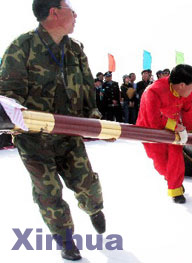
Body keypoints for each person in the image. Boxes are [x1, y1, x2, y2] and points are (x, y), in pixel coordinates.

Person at [0, 0, 105, 260]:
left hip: (69, 134)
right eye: (70, 8)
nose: (76, 14)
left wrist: (93, 117)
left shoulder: (75, 50)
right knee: (48, 192)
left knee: (85, 183)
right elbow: (7, 94)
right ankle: (65, 239)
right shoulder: (21, 47)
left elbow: (87, 88)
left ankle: (94, 208)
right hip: (34, 139)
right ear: (54, 12)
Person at [136, 64, 192, 204]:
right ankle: (171, 178)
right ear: (182, 85)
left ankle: (176, 189)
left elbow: (187, 110)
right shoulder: (153, 91)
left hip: (175, 129)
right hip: (150, 130)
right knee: (161, 163)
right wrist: (176, 127)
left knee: (176, 158)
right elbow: (154, 119)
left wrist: (191, 133)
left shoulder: (186, 92)